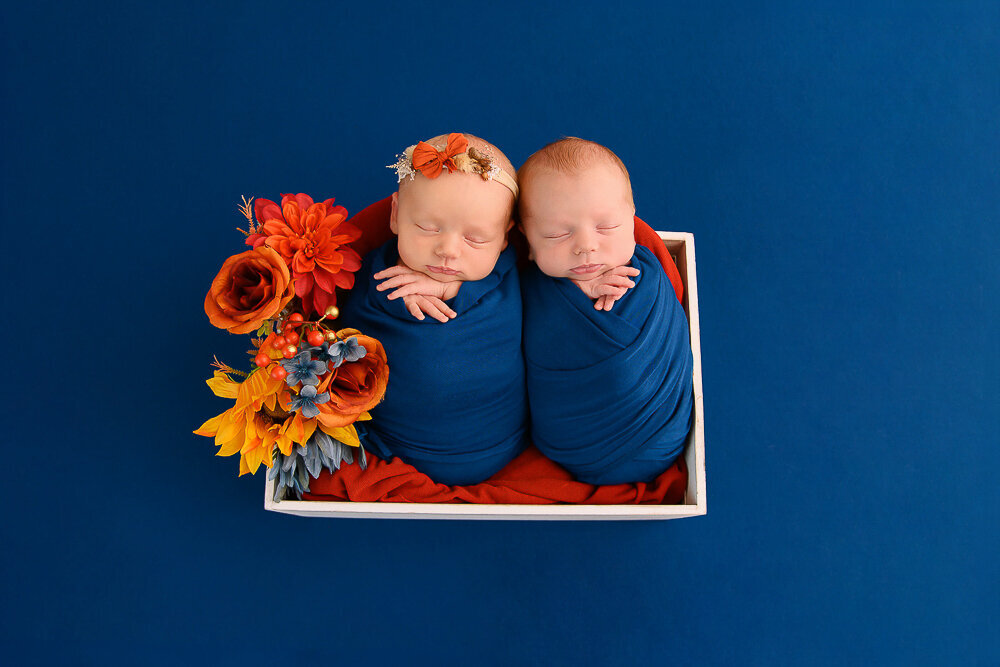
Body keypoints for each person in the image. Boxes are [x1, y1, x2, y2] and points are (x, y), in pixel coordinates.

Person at [337, 132, 528, 485]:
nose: (448, 251)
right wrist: (390, 297)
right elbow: (346, 332)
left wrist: (452, 288)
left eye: (476, 238)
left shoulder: (511, 269)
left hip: (499, 444)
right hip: (396, 452)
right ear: (395, 214)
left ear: (505, 237)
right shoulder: (372, 274)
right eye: (427, 227)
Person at [518, 137, 694, 485]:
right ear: (525, 238)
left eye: (606, 227)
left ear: (632, 217)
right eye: (555, 234)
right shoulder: (526, 287)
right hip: (569, 442)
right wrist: (577, 293)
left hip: (658, 438)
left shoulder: (649, 279)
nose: (586, 246)